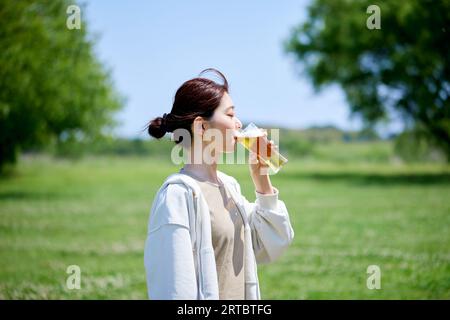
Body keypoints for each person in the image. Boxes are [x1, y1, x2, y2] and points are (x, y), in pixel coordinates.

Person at [144, 68, 294, 300]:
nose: (238, 123)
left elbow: (270, 245)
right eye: (230, 115)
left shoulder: (229, 186)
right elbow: (174, 289)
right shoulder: (177, 196)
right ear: (202, 127)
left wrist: (261, 178)